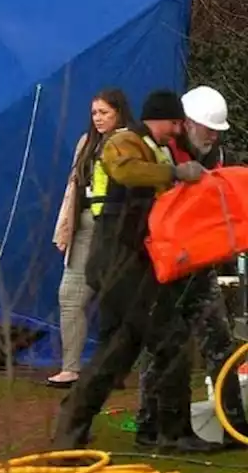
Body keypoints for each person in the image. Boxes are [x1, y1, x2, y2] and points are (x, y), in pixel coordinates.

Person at [51, 89, 217, 453]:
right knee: (172, 339)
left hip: (129, 263)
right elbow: (125, 172)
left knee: (119, 349)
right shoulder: (123, 142)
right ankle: (172, 433)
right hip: (116, 261)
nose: (177, 131)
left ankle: (71, 426)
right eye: (175, 123)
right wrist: (175, 172)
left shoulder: (154, 149)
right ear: (162, 118)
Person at [134, 85, 248, 448]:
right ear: (187, 123)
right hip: (166, 267)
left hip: (199, 265)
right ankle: (151, 425)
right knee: (165, 350)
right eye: (209, 130)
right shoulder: (163, 152)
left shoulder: (213, 154)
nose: (213, 137)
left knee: (220, 342)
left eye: (217, 131)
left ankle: (234, 424)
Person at [49, 88, 133, 388]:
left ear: (119, 113)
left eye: (104, 113)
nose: (98, 118)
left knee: (115, 301)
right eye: (94, 113)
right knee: (69, 295)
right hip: (84, 227)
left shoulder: (130, 144)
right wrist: (64, 227)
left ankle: (114, 370)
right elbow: (73, 187)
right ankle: (70, 368)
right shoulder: (86, 143)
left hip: (115, 231)